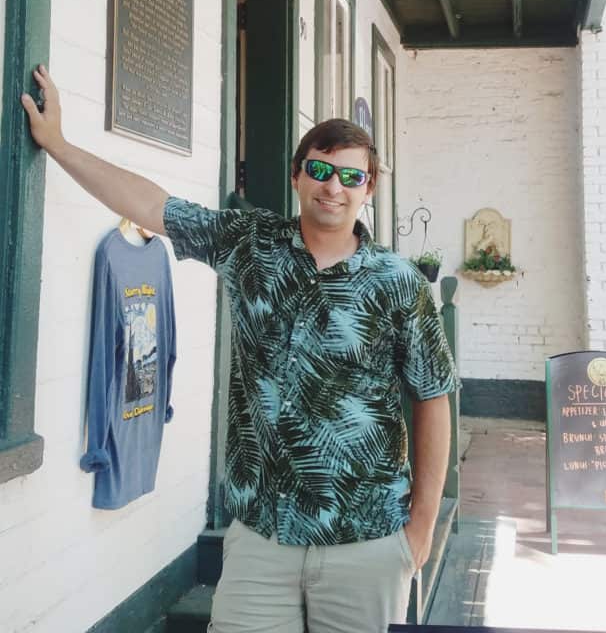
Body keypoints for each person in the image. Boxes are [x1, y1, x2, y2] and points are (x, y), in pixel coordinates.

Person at [22, 65, 456, 633]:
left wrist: (421, 525)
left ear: (368, 188)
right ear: (298, 176)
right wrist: (58, 144)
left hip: (367, 541)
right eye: (321, 170)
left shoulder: (398, 281)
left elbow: (433, 399)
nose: (334, 187)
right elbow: (152, 204)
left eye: (350, 177)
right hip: (261, 539)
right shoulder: (249, 244)